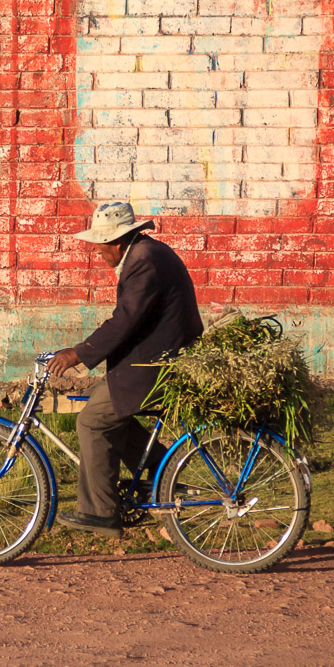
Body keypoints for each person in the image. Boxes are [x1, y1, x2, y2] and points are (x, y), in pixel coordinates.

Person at [45, 202, 203, 538]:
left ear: (116, 241)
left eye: (100, 246)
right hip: (155, 360)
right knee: (112, 415)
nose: (99, 253)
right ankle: (165, 476)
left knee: (92, 421)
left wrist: (78, 353)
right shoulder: (148, 253)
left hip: (158, 366)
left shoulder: (143, 261)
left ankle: (100, 513)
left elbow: (126, 320)